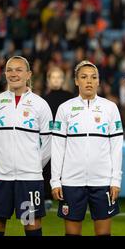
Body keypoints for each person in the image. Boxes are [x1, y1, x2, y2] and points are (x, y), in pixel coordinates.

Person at [50, 61, 123, 236]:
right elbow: (58, 146)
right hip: (71, 181)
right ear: (76, 81)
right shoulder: (64, 109)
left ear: (98, 81)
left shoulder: (110, 108)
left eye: (93, 77)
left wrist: (115, 180)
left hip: (102, 181)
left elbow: (116, 147)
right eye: (83, 77)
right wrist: (55, 180)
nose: (89, 81)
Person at [0, 56, 52, 236]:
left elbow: (49, 143)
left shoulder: (40, 105)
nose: (14, 74)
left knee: (31, 223)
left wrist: (34, 164)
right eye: (10, 70)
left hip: (29, 177)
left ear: (28, 74)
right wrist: (0, 161)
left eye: (19, 70)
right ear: (5, 74)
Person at [42, 67, 74, 210]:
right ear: (48, 80)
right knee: (47, 166)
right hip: (49, 137)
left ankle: (67, 196)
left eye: (58, 77)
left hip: (67, 137)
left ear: (63, 80)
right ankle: (47, 196)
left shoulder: (70, 97)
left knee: (66, 167)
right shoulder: (43, 99)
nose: (56, 80)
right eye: (53, 77)